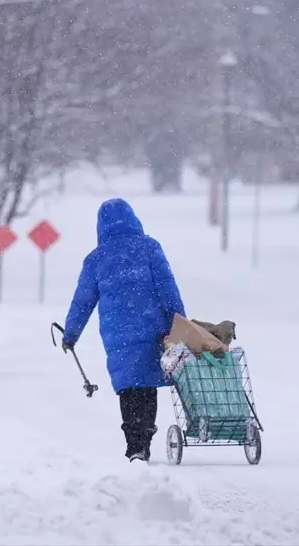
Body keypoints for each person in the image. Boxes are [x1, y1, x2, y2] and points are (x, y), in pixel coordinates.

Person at [59, 198, 186, 462]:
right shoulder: (150, 248)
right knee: (147, 384)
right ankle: (145, 435)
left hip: (119, 336)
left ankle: (134, 444)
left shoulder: (95, 259)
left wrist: (70, 334)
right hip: (153, 329)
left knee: (129, 387)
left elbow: (82, 302)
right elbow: (168, 288)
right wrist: (181, 323)